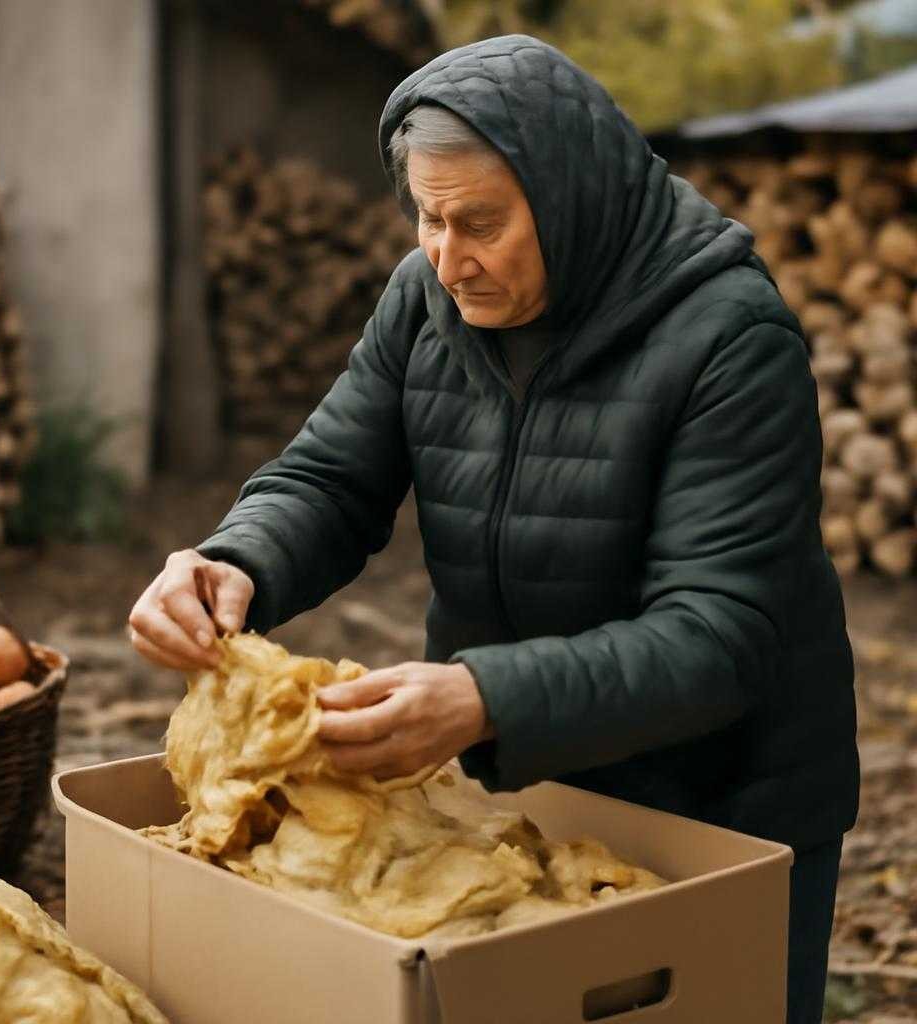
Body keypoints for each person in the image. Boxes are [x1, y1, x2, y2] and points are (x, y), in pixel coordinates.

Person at [129, 35, 859, 1023]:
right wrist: (233, 559)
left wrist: (484, 694)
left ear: (568, 199)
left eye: (477, 221)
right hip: (523, 789)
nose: (443, 254)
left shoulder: (727, 339)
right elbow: (333, 476)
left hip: (720, 805)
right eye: (425, 217)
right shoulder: (427, 300)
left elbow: (718, 633)